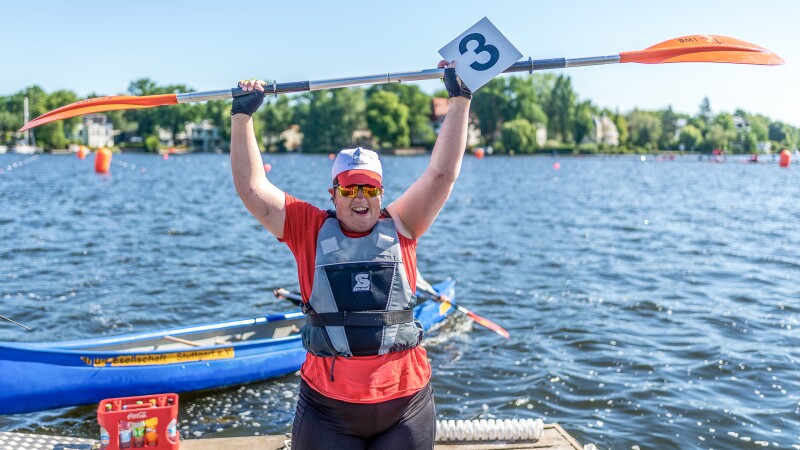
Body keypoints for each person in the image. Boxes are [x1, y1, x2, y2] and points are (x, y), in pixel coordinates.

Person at [230, 60, 472, 449]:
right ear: (333, 194)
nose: (360, 198)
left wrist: (459, 98)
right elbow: (252, 188)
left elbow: (442, 173)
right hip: (328, 410)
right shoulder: (305, 227)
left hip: (405, 405)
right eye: (349, 189)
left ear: (381, 192)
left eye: (369, 189)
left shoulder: (405, 222)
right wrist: (242, 117)